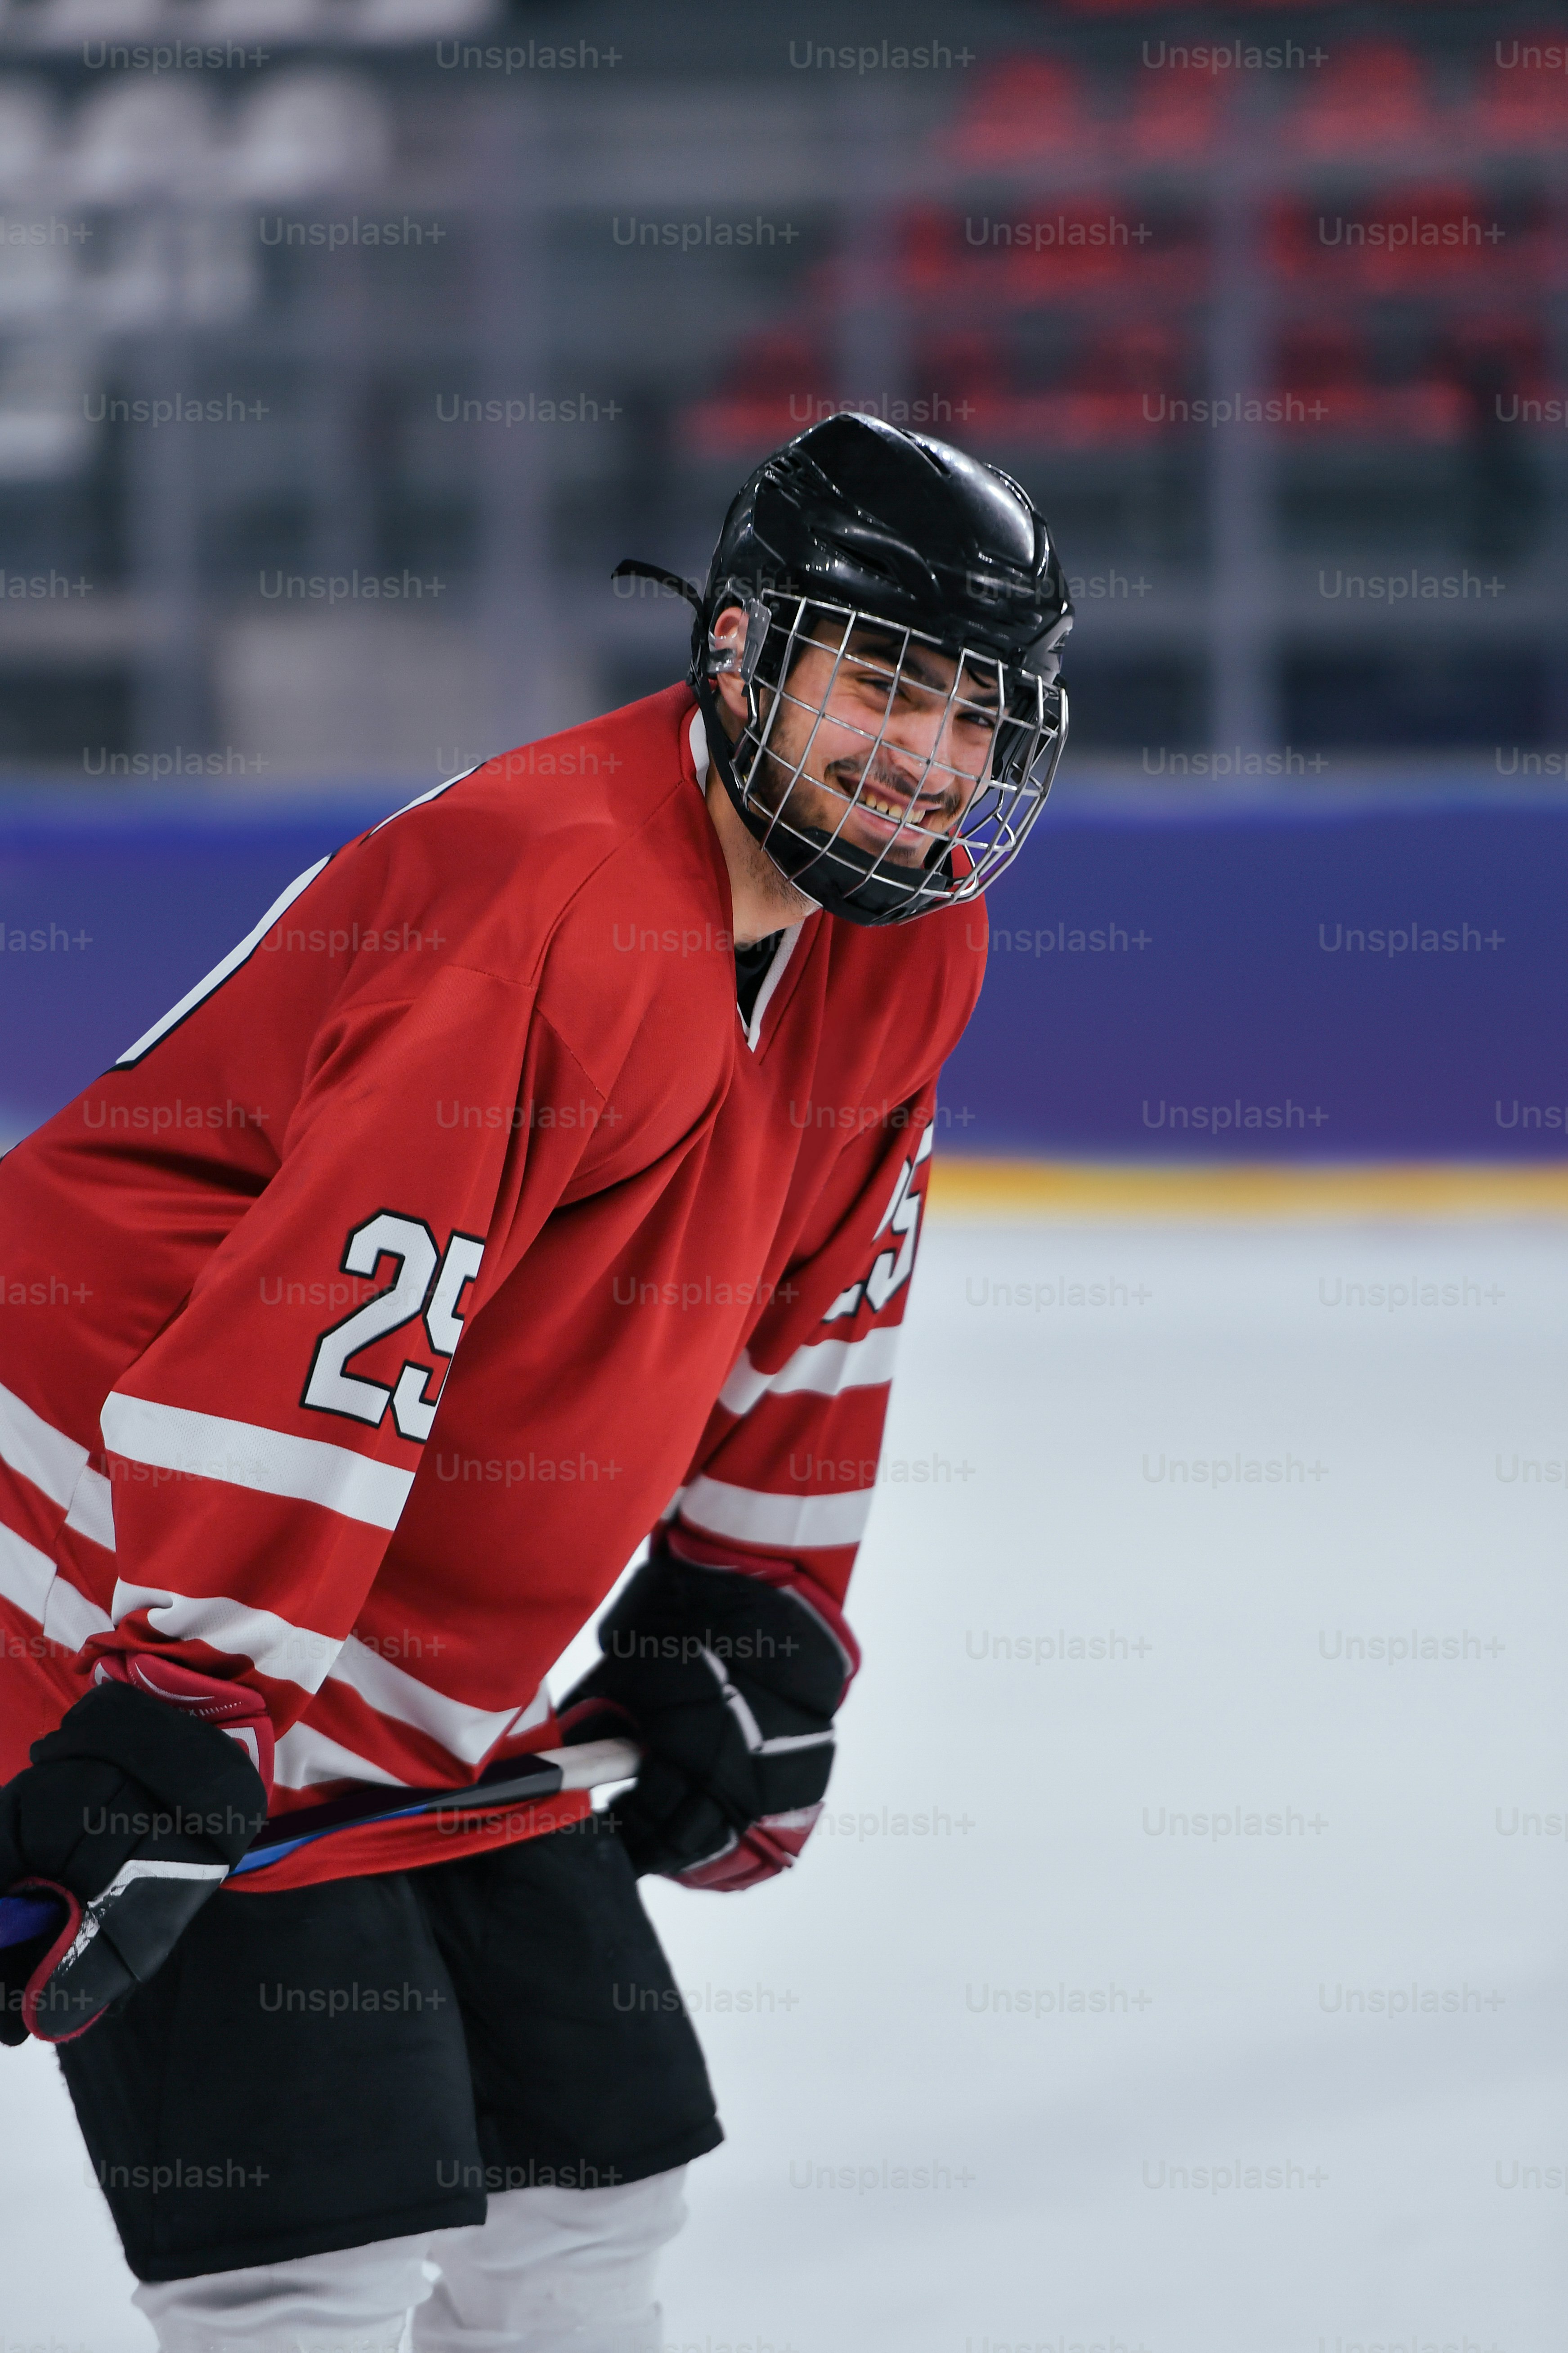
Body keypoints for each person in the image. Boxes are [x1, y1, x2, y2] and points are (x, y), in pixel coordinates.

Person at [0, 415, 1071, 2353]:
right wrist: (184, 1695)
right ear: (741, 655)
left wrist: (748, 1596)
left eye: (978, 712)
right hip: (124, 1561)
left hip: (379, 1614)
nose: (931, 758)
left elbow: (826, 1290)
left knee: (585, 2188)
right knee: (298, 2254)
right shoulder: (545, 891)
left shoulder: (907, 946)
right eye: (882, 682)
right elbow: (340, 1310)